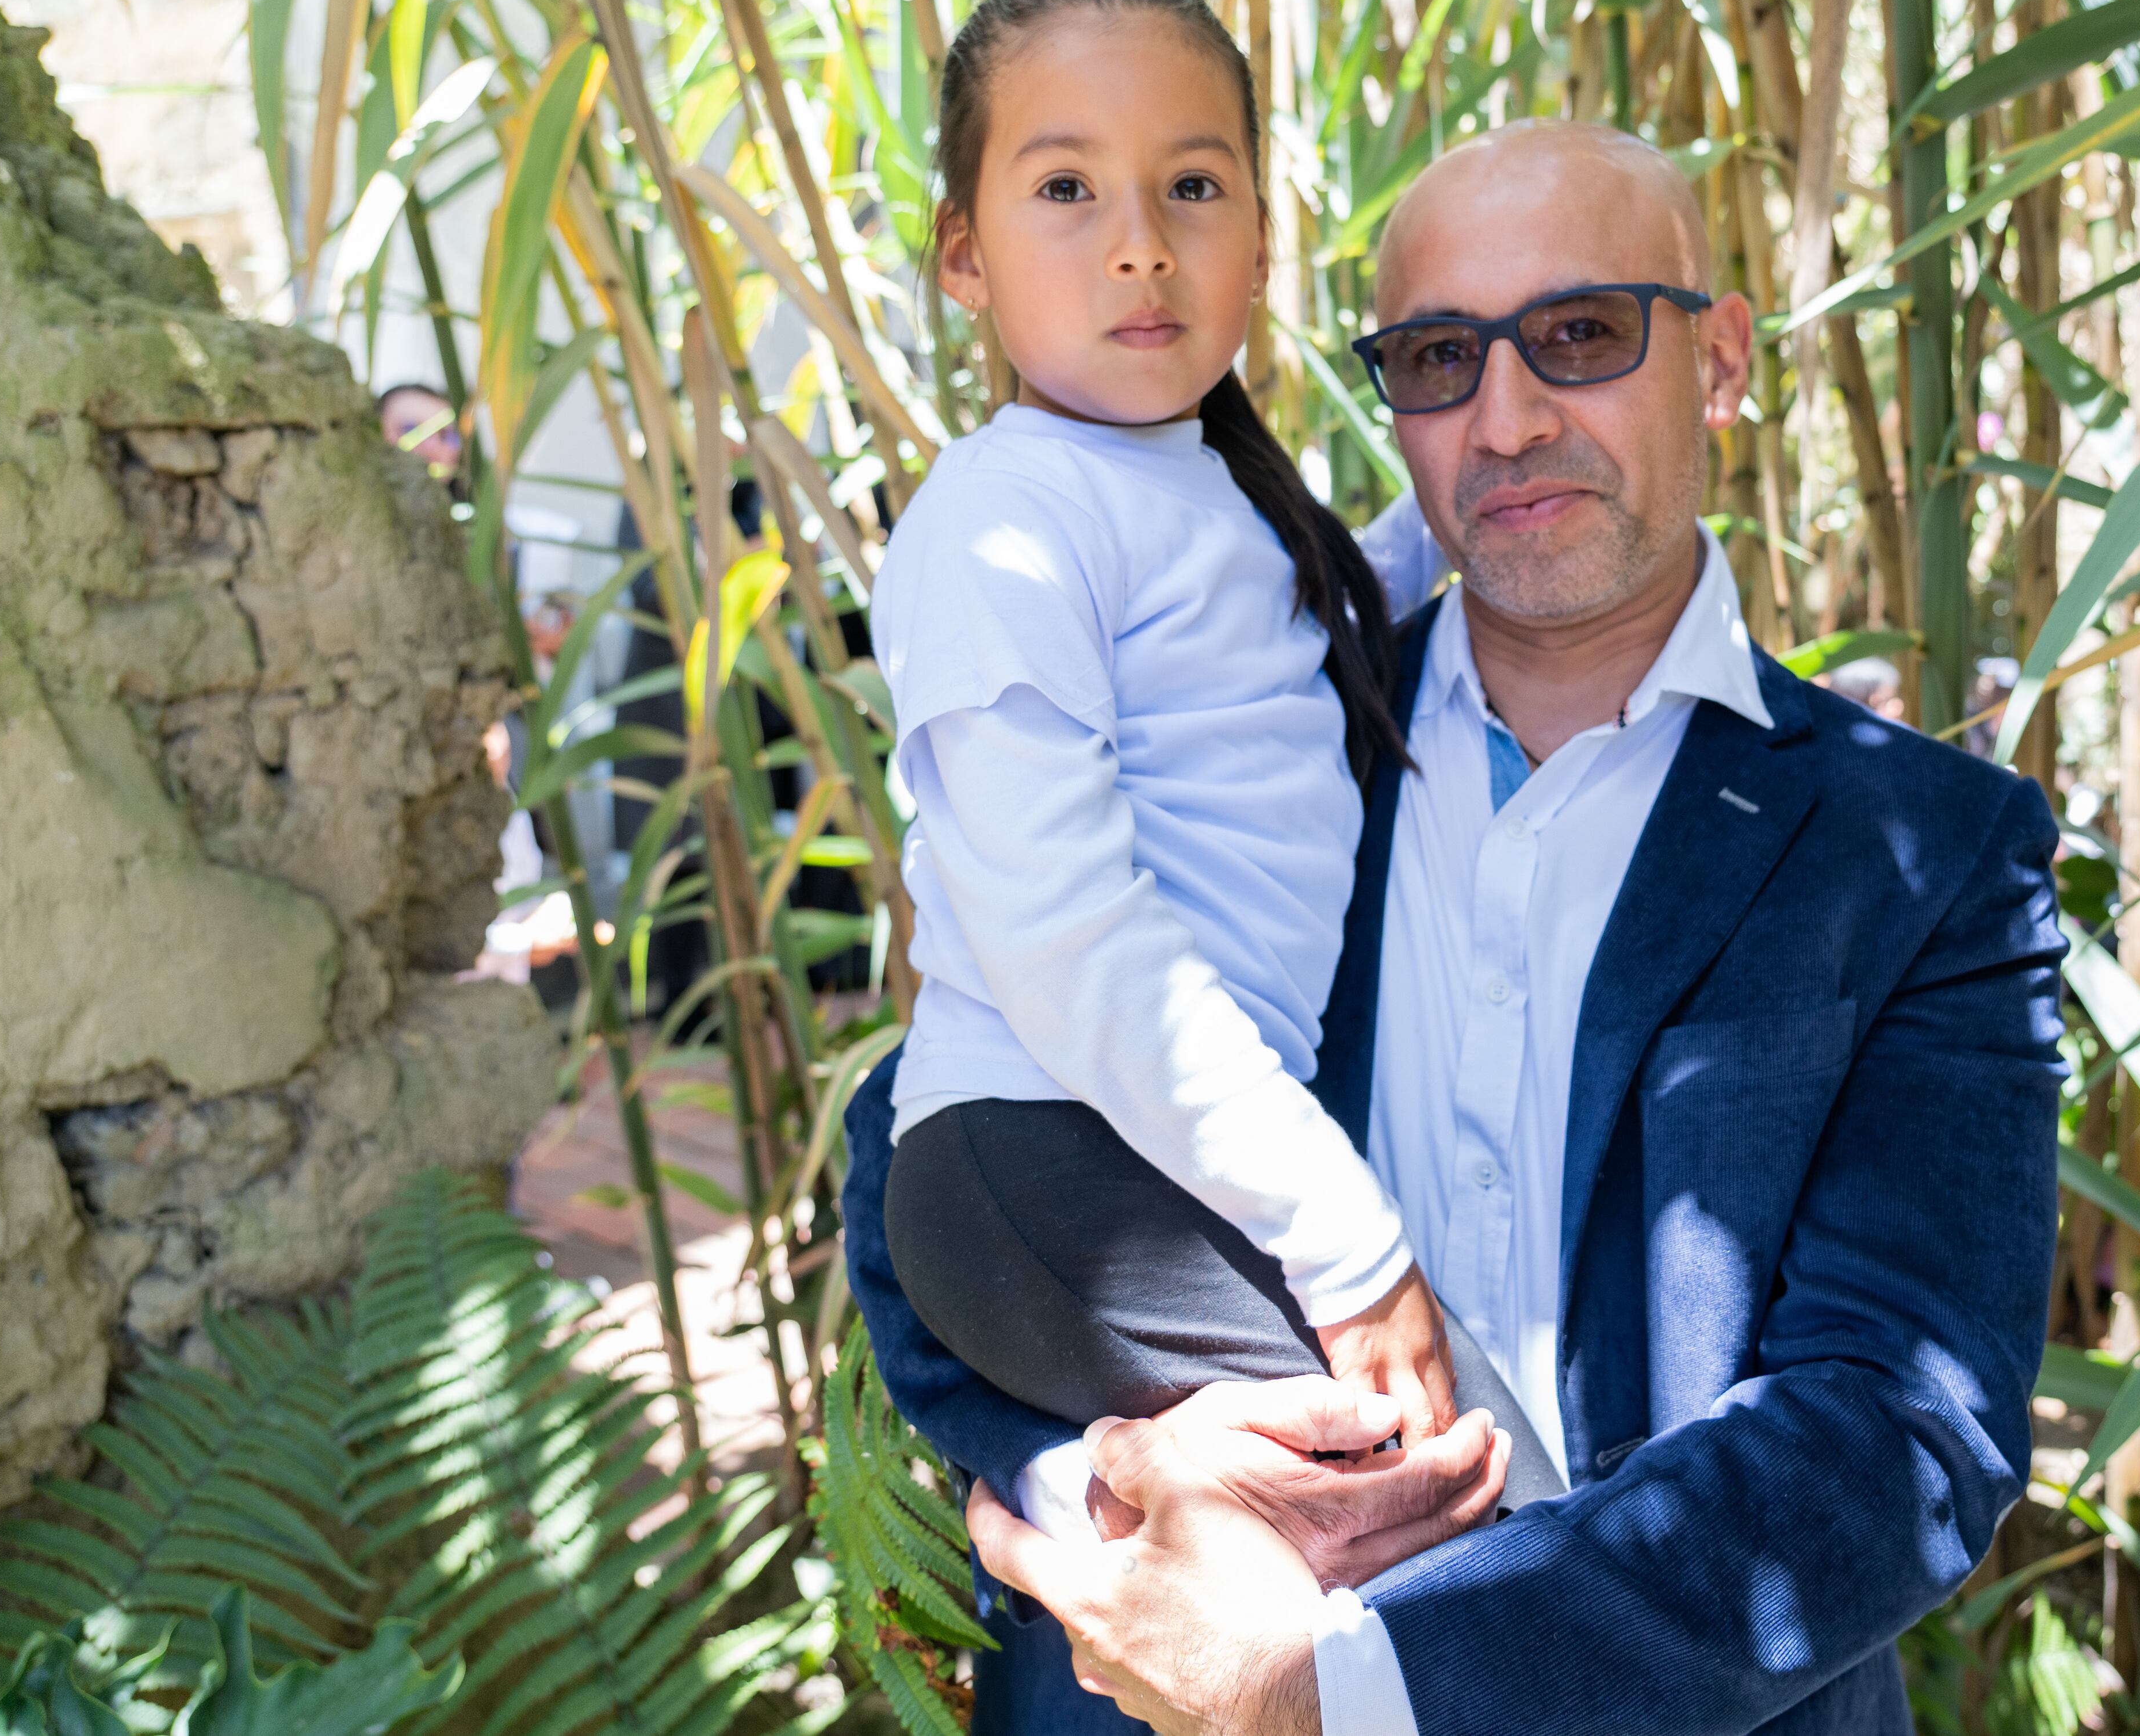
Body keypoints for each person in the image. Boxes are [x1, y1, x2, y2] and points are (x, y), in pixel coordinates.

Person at [844, 116, 2066, 1735]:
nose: (1507, 419)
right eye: (1438, 358)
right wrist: (1110, 1478)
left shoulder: (1922, 853)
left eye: (1580, 334)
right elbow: (932, 1135)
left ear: (1720, 363)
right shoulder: (1264, 739)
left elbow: (1899, 1435)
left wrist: (1342, 1688)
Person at [864, 0, 1565, 1548]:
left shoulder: (1208, 492)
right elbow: (1066, 941)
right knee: (1473, 1492)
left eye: (1194, 184)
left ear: (1260, 232)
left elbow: (1311, 623)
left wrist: (1489, 482)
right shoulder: (1000, 525)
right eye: (1065, 188)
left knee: (1422, 1513)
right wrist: (1350, 1247)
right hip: (1054, 1161)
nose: (1138, 244)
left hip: (1156, 1156)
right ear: (963, 258)